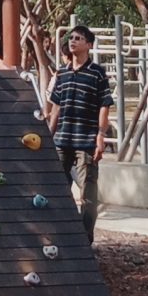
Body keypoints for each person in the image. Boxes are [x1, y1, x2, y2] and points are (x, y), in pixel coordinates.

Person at [45, 26, 114, 239]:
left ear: (89, 45)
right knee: (57, 187)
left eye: (79, 38)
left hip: (86, 141)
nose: (73, 41)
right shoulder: (62, 73)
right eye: (71, 38)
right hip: (62, 140)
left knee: (87, 192)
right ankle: (61, 232)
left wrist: (100, 136)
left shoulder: (97, 73)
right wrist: (50, 134)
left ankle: (85, 237)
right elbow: (56, 106)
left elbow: (104, 105)